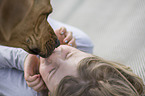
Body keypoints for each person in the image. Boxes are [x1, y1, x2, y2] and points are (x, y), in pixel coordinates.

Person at [0, 18, 93, 96]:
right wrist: (49, 35)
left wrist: (23, 58)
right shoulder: (82, 45)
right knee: (82, 41)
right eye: (68, 55)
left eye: (53, 70)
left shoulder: (25, 92)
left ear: (50, 93)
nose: (53, 56)